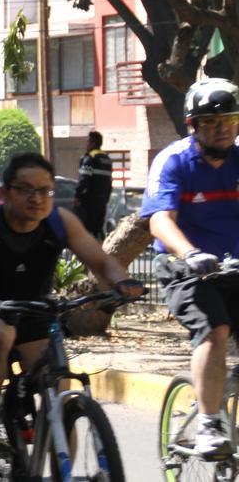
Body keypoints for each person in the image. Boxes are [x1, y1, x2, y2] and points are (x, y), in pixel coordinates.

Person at [0, 151, 142, 457]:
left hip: (34, 312)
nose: (37, 198)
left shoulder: (60, 223)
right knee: (0, 334)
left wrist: (121, 282)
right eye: (26, 189)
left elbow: (102, 262)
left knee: (59, 392)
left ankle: (65, 473)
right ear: (5, 193)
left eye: (45, 190)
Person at [142, 77, 239, 457]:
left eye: (230, 120)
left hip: (235, 265)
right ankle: (208, 424)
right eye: (212, 122)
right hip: (186, 269)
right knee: (215, 329)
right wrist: (190, 253)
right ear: (192, 124)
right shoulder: (174, 161)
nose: (223, 129)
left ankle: (216, 390)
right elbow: (160, 220)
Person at [74, 130, 114, 240]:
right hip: (102, 201)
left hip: (88, 201)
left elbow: (83, 179)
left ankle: (84, 255)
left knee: (85, 230)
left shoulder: (89, 158)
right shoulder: (107, 159)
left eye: (87, 141)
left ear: (93, 143)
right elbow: (110, 182)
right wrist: (106, 199)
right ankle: (100, 251)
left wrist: (77, 196)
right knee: (98, 229)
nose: (85, 144)